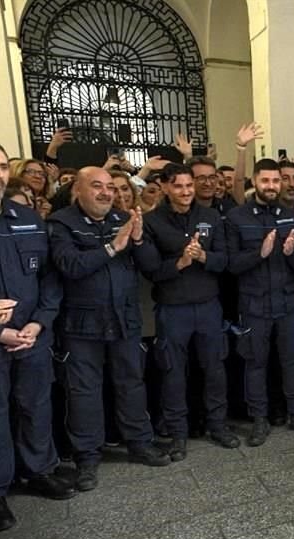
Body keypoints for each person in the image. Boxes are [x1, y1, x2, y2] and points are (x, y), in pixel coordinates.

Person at [0, 138, 74, 533]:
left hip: (32, 336)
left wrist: (39, 322)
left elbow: (49, 279)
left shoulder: (27, 218)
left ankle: (38, 471)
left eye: (3, 166)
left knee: (36, 406)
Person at [48, 167, 171, 490]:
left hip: (124, 319)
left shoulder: (122, 219)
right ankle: (87, 456)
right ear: (78, 189)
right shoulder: (61, 223)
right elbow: (70, 266)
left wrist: (140, 238)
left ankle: (139, 442)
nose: (105, 193)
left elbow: (149, 265)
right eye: (96, 186)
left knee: (131, 382)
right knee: (84, 391)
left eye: (109, 188)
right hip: (81, 323)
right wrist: (111, 248)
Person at [141, 163, 239, 460]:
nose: (185, 191)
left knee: (215, 368)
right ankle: (177, 434)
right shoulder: (152, 221)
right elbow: (151, 270)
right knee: (173, 373)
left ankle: (218, 425)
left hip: (208, 305)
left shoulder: (209, 217)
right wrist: (180, 263)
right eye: (178, 186)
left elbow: (224, 261)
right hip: (173, 309)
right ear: (167, 187)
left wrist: (204, 256)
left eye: (188, 185)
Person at [225, 159, 294, 441]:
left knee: (292, 360)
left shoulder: (290, 216)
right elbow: (231, 265)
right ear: (255, 181)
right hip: (254, 305)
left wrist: (292, 253)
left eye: (276, 181)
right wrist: (259, 254)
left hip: (287, 303)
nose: (272, 186)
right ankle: (259, 420)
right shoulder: (238, 217)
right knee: (255, 363)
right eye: (266, 181)